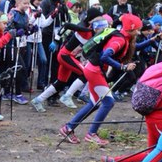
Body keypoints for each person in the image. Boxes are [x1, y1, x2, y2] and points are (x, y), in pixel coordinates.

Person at [59, 13, 141, 146]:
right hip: (94, 70)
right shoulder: (119, 40)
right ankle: (92, 134)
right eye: (137, 29)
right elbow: (105, 56)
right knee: (109, 102)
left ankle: (68, 128)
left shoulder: (120, 35)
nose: (138, 32)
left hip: (92, 68)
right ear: (130, 28)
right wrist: (123, 67)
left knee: (94, 103)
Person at [30, 7, 103, 112]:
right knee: (86, 73)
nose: (100, 21)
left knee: (60, 82)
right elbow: (66, 25)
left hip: (70, 56)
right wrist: (56, 40)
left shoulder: (90, 28)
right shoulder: (83, 26)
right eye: (98, 18)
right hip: (65, 55)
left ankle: (38, 100)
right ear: (92, 18)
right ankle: (67, 96)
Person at [25, 0, 47, 90]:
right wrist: (34, 16)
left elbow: (44, 23)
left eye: (40, 0)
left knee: (43, 60)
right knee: (28, 62)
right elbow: (28, 22)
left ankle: (41, 82)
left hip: (38, 39)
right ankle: (25, 83)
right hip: (29, 38)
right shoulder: (28, 9)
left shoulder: (40, 9)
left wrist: (52, 16)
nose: (39, 2)